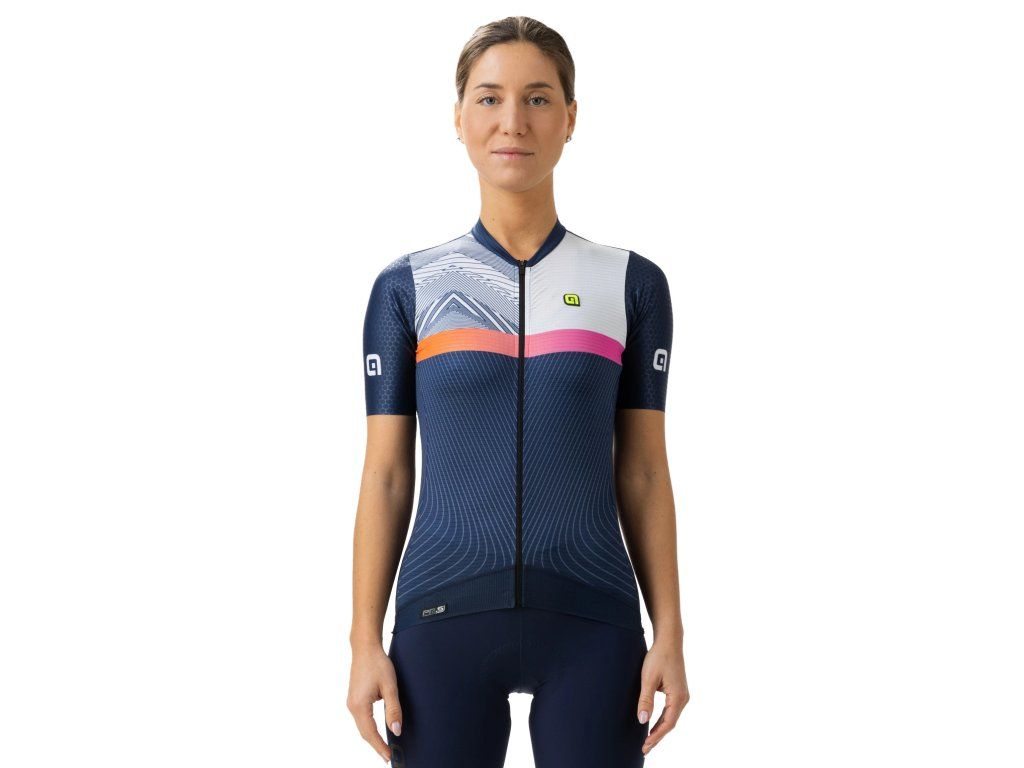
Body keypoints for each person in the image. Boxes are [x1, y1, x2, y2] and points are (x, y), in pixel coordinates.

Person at [347, 16, 689, 768]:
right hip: (441, 618)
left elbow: (642, 469)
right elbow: (387, 473)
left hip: (594, 620)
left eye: (538, 98)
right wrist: (363, 640)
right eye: (489, 98)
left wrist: (670, 632)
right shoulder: (409, 288)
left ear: (571, 117)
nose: (513, 121)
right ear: (459, 117)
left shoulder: (630, 283)